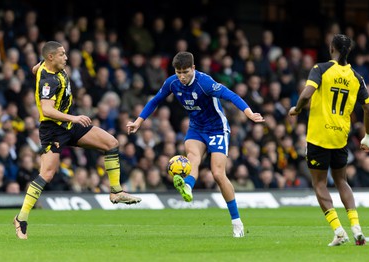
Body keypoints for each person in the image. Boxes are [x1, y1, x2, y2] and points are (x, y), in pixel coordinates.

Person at [127, 51, 265, 237]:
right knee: (192, 157)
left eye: (185, 72)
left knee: (217, 174)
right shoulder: (172, 82)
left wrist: (248, 113)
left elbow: (230, 95)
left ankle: (236, 221)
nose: (182, 77)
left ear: (193, 68)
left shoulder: (205, 83)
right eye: (178, 72)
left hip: (217, 129)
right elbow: (155, 101)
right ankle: (188, 186)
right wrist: (138, 121)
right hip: (196, 128)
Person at [14, 41, 141, 240]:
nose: (66, 57)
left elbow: (34, 69)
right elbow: (46, 110)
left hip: (68, 125)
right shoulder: (49, 80)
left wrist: (71, 119)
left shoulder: (43, 66)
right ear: (51, 57)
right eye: (62, 54)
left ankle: (116, 192)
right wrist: (74, 117)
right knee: (46, 174)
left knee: (112, 143)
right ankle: (21, 219)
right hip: (53, 130)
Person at [288, 34, 369, 246]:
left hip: (319, 136)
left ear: (332, 48)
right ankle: (356, 227)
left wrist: (297, 109)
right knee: (342, 181)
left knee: (319, 183)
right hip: (340, 137)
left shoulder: (321, 69)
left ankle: (338, 230)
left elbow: (307, 94)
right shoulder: (356, 77)